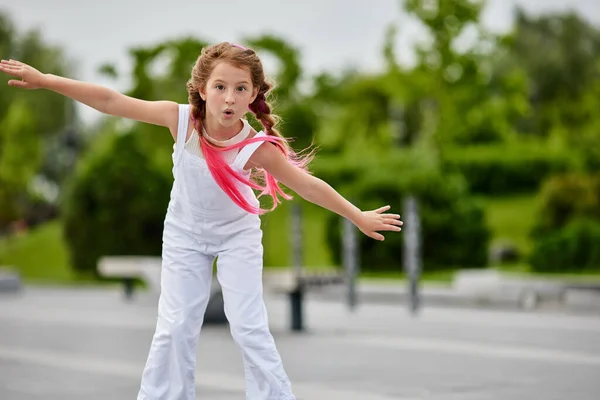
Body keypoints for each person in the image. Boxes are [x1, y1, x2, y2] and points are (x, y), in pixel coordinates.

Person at [0, 42, 403, 400]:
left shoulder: (255, 147)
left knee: (249, 327)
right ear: (202, 91)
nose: (229, 98)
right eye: (221, 87)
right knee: (175, 327)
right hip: (184, 236)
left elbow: (309, 186)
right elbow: (110, 100)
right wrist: (47, 80)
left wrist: (357, 215)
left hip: (237, 237)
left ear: (254, 96)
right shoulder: (181, 122)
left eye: (241, 89)